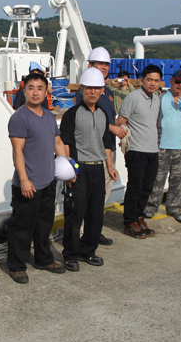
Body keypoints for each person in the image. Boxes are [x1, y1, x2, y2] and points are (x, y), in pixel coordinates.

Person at [7, 72, 68, 284]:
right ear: (24, 91)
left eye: (40, 88)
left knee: (44, 225)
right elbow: (17, 151)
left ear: (46, 92)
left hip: (48, 181)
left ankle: (44, 259)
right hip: (28, 184)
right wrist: (24, 180)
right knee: (22, 228)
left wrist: (70, 169)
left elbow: (58, 143)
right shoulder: (19, 117)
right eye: (31, 88)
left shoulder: (49, 116)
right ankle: (16, 265)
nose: (35, 92)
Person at [60, 68, 117, 272]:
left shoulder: (102, 114)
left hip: (98, 168)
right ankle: (71, 254)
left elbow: (106, 143)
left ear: (103, 90)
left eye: (97, 88)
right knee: (75, 214)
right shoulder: (72, 114)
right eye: (89, 88)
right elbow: (66, 143)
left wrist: (110, 166)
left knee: (95, 213)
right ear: (82, 89)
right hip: (79, 168)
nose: (92, 92)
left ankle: (88, 250)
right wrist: (70, 170)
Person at [75, 47, 127, 245]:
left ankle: (93, 231)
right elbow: (89, 119)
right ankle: (81, 234)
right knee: (88, 197)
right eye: (100, 64)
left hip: (107, 151)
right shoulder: (86, 92)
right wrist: (113, 128)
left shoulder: (107, 93)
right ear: (90, 66)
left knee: (101, 196)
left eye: (106, 64)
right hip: (92, 153)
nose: (104, 68)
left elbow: (108, 118)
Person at [144, 70, 181, 223]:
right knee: (157, 179)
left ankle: (174, 208)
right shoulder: (160, 98)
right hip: (162, 146)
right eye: (177, 82)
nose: (180, 85)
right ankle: (151, 207)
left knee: (178, 179)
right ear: (172, 81)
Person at [116, 64, 163, 239]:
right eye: (149, 80)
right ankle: (129, 222)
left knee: (147, 187)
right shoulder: (132, 98)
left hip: (152, 150)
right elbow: (121, 120)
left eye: (156, 80)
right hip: (136, 149)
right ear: (142, 80)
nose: (152, 83)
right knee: (135, 187)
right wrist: (125, 141)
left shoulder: (157, 98)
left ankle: (138, 217)